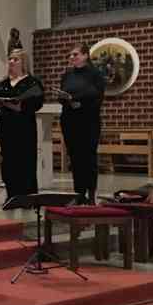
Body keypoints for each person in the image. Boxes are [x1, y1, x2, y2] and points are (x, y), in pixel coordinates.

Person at [0, 49, 44, 201]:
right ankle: (12, 194)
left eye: (15, 59)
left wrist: (19, 106)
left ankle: (27, 196)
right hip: (6, 127)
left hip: (24, 127)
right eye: (10, 59)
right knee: (8, 161)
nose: (11, 62)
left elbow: (37, 103)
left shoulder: (32, 82)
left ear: (23, 62)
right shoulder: (2, 83)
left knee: (25, 160)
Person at [58, 42, 106, 205]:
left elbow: (97, 96)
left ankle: (91, 194)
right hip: (70, 120)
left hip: (88, 121)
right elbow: (62, 96)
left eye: (75, 54)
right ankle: (78, 193)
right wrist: (67, 100)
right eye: (70, 55)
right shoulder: (67, 75)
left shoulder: (95, 74)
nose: (72, 57)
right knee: (75, 158)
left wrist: (79, 102)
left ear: (85, 56)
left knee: (88, 158)